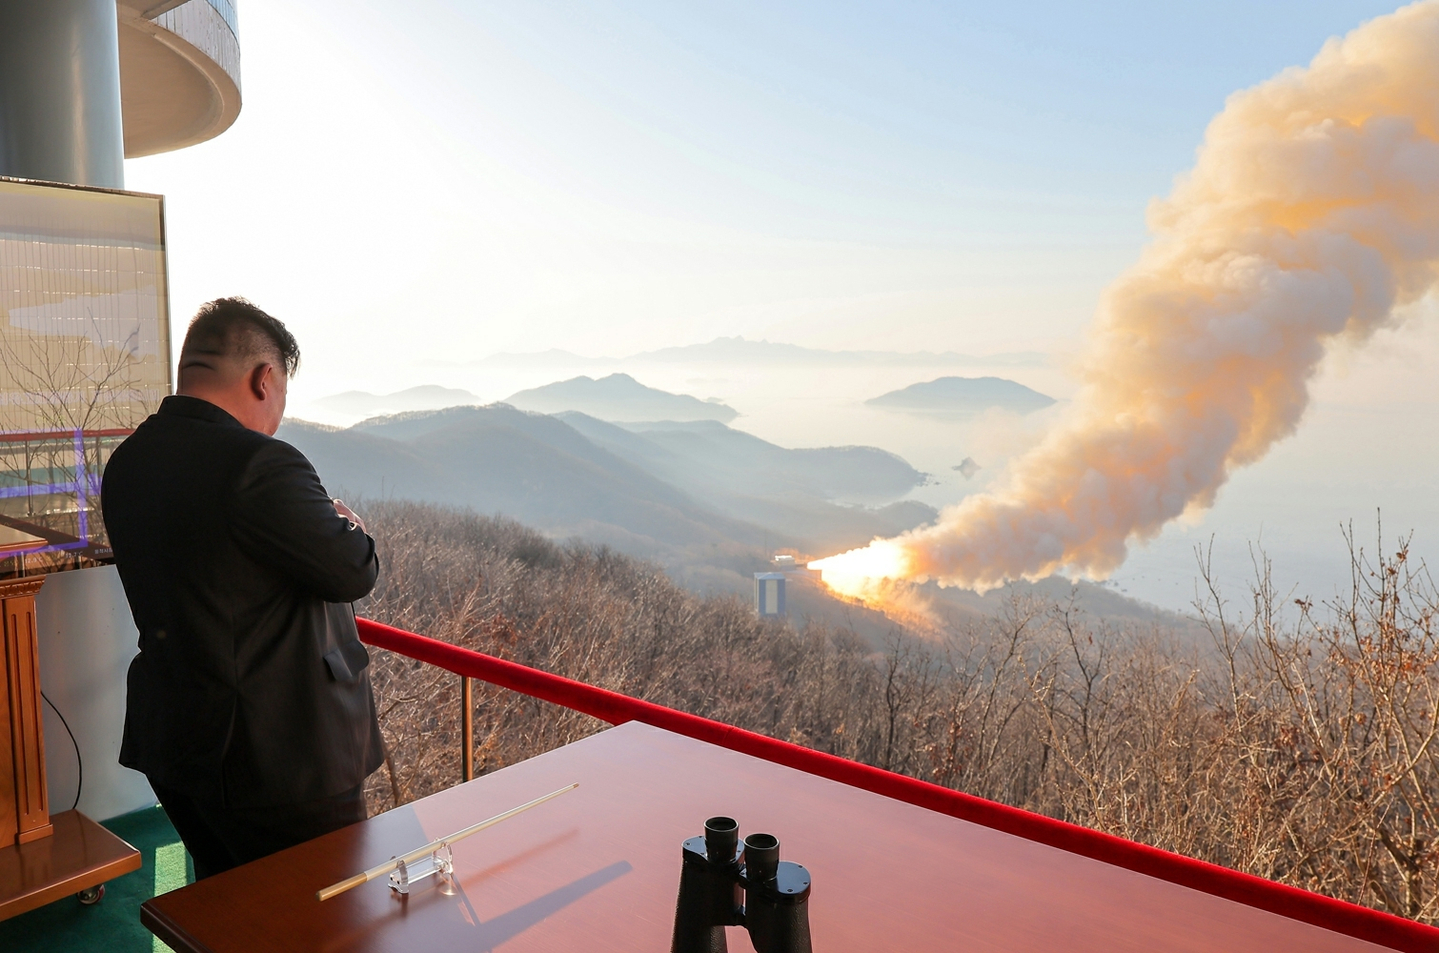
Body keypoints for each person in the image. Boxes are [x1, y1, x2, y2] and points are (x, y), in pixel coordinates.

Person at [101, 297, 384, 879]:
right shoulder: (262, 466)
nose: (278, 414)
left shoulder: (129, 462)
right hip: (282, 755)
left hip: (180, 737)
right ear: (264, 379)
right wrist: (346, 521)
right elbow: (354, 569)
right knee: (321, 913)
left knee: (226, 900)